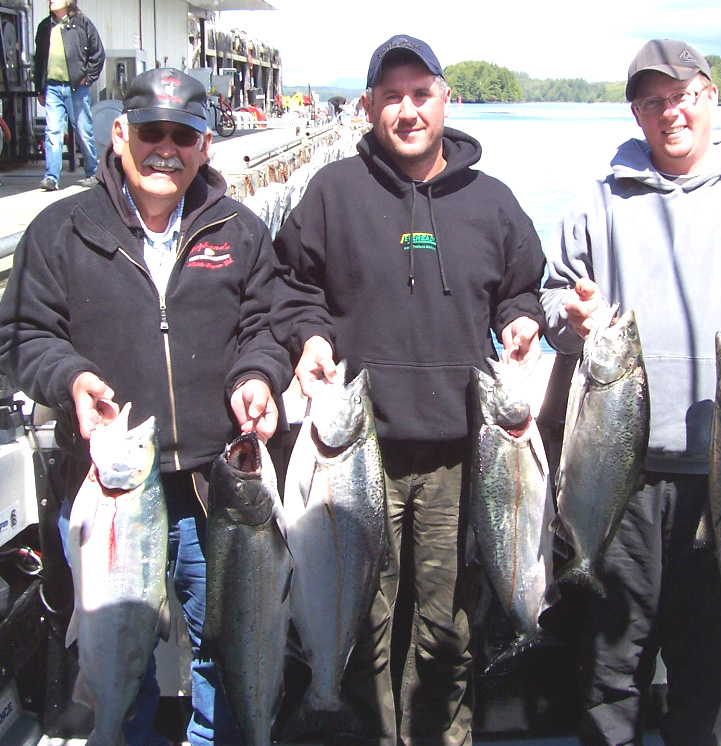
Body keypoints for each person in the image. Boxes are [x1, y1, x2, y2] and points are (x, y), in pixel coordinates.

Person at [540, 38, 721, 746]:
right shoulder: (596, 201)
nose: (670, 112)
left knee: (712, 676)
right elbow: (552, 305)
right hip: (621, 481)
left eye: (683, 96)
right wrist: (570, 318)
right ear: (637, 114)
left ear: (711, 98)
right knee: (612, 666)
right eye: (653, 101)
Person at [0, 67, 291, 746]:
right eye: (151, 133)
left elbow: (268, 326)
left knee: (226, 648)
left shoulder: (239, 231)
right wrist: (71, 379)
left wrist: (257, 374)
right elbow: (23, 336)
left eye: (182, 135)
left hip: (211, 494)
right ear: (120, 133)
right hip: (107, 493)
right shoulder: (59, 230)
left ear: (205, 144)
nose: (166, 149)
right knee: (115, 664)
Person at [272, 33, 545, 746]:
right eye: (391, 96)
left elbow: (521, 290)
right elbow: (292, 286)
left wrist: (520, 324)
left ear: (444, 99)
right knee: (365, 620)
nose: (407, 109)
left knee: (446, 628)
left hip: (463, 454)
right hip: (356, 454)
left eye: (420, 94)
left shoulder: (494, 203)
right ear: (368, 107)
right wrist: (312, 337)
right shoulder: (332, 192)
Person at [33, 0, 104, 191]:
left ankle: (93, 172)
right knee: (53, 132)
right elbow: (38, 59)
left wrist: (87, 77)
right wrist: (39, 88)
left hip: (76, 88)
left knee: (83, 131)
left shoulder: (82, 23)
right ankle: (51, 178)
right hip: (52, 88)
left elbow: (98, 53)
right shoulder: (44, 27)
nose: (51, 1)